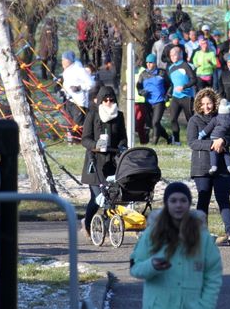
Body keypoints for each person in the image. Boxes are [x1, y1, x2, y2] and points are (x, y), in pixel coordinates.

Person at [130, 182, 222, 309]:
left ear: (189, 203)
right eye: (173, 201)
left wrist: (206, 305)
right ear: (166, 203)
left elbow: (213, 274)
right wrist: (152, 265)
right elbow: (135, 268)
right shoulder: (152, 233)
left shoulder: (202, 236)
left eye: (183, 200)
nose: (178, 205)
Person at [187, 88, 230, 245]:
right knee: (203, 198)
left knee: (223, 198)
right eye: (203, 104)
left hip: (222, 165)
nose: (206, 107)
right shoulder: (194, 121)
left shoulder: (224, 117)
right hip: (201, 166)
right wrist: (213, 144)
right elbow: (192, 142)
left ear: (215, 103)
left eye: (209, 103)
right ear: (198, 104)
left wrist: (223, 141)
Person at [80, 86, 127, 237]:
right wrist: (96, 146)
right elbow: (85, 139)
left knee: (111, 197)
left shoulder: (119, 116)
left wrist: (121, 147)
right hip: (95, 162)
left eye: (111, 99)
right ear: (100, 100)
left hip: (112, 162)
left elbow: (122, 137)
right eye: (105, 100)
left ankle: (106, 226)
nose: (108, 102)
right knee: (97, 198)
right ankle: (87, 225)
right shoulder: (93, 114)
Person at [137, 54, 171, 145]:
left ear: (155, 63)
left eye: (150, 62)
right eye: (147, 62)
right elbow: (138, 87)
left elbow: (170, 85)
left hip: (159, 102)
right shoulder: (143, 74)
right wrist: (141, 92)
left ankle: (154, 142)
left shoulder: (162, 73)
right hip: (148, 102)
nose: (148, 64)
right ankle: (168, 137)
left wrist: (167, 95)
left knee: (155, 122)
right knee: (151, 124)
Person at [167, 47, 197, 145]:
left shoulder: (185, 66)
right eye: (171, 55)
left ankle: (193, 140)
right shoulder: (170, 68)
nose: (172, 57)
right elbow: (172, 84)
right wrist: (169, 93)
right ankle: (176, 141)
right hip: (176, 97)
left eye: (174, 54)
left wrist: (184, 87)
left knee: (190, 120)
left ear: (180, 55)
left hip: (187, 97)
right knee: (172, 119)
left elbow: (194, 80)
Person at [198, 98, 230, 175]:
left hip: (214, 137)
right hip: (224, 137)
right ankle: (229, 166)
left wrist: (201, 134)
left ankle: (214, 166)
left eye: (209, 103)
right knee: (226, 153)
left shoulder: (216, 119)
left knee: (213, 152)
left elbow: (208, 128)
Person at [60, 50, 94, 132]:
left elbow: (91, 83)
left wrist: (79, 87)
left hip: (79, 102)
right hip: (68, 100)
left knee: (78, 123)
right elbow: (67, 84)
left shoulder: (80, 70)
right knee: (69, 121)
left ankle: (80, 139)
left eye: (64, 60)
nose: (62, 62)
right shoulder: (66, 71)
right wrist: (62, 91)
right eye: (62, 60)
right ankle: (72, 140)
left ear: (69, 60)